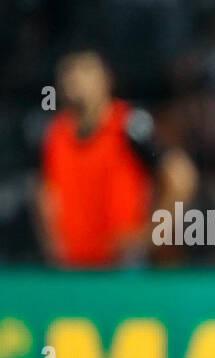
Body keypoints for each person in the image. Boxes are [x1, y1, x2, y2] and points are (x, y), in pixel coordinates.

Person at [35, 50, 195, 267]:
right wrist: (52, 245)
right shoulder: (55, 133)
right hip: (71, 267)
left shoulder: (130, 125)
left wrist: (151, 235)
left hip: (121, 266)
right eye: (68, 71)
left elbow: (181, 175)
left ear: (106, 79)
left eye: (85, 70)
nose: (74, 78)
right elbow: (46, 194)